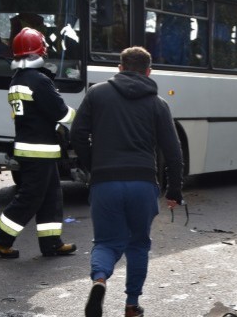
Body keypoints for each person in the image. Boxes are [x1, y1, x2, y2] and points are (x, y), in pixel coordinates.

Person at [71, 46, 184, 317]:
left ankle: (100, 280)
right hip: (143, 183)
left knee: (106, 242)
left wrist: (91, 165)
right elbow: (173, 151)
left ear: (119, 68)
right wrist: (174, 190)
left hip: (105, 181)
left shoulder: (97, 93)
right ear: (148, 71)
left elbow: (77, 134)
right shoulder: (158, 104)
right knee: (138, 244)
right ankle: (132, 305)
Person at [0, 28, 77, 259]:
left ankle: (51, 243)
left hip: (31, 148)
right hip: (40, 151)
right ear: (40, 51)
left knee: (51, 197)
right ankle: (0, 238)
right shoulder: (39, 80)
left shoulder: (17, 80)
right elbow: (61, 113)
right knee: (30, 198)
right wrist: (82, 116)